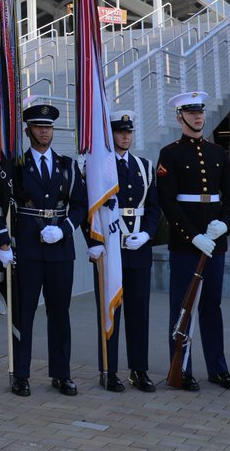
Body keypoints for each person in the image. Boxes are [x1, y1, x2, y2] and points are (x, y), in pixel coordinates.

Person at [0, 103, 85, 397]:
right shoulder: (15, 168)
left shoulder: (67, 165)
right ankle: (21, 374)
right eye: (38, 127)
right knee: (25, 314)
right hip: (28, 249)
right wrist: (3, 241)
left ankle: (62, 374)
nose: (45, 132)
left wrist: (65, 229)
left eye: (48, 127)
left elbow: (80, 205)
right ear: (28, 130)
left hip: (60, 249)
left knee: (60, 314)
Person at [156, 91, 230, 391]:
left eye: (200, 112)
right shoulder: (170, 153)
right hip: (186, 245)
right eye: (191, 113)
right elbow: (168, 201)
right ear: (179, 117)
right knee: (183, 307)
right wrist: (193, 236)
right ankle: (183, 368)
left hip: (215, 241)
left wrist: (224, 226)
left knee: (212, 307)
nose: (198, 117)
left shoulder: (218, 153)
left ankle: (218, 368)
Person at [85, 111, 159, 393]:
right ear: (110, 135)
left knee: (139, 313)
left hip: (137, 247)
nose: (126, 136)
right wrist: (93, 241)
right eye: (120, 131)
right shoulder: (98, 168)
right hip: (110, 248)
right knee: (110, 310)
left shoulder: (145, 166)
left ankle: (139, 370)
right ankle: (110, 369)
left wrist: (148, 234)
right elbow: (88, 207)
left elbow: (154, 207)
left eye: (129, 131)